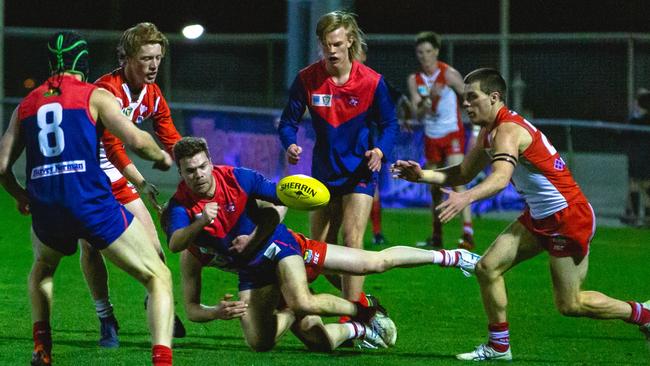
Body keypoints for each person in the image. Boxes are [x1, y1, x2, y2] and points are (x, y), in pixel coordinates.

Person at [392, 67, 650, 361]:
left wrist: (466, 196)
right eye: (464, 99)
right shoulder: (490, 132)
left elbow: (501, 178)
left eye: (472, 98)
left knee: (571, 304)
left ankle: (643, 314)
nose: (465, 104)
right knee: (487, 268)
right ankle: (499, 347)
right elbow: (464, 171)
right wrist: (422, 175)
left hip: (568, 217)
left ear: (494, 97)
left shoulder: (507, 131)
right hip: (541, 215)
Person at [165, 136, 479, 352]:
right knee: (270, 343)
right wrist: (217, 312)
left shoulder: (238, 178)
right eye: (189, 170)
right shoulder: (187, 226)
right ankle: (358, 330)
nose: (198, 175)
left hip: (284, 248)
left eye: (202, 166)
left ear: (210, 161)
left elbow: (281, 204)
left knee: (373, 262)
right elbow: (183, 268)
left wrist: (255, 237)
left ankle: (448, 258)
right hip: (257, 276)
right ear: (180, 172)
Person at [0, 31, 175, 366]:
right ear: (83, 61)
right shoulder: (94, 95)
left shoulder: (26, 104)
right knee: (158, 276)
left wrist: (20, 195)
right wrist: (160, 157)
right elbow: (136, 139)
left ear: (51, 61)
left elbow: (1, 166)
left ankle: (42, 345)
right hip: (91, 203)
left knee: (42, 268)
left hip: (46, 207)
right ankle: (162, 359)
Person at [278, 11, 399, 306]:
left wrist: (380, 151)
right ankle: (363, 304)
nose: (330, 50)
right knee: (315, 255)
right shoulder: (307, 79)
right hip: (324, 173)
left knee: (352, 239)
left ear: (350, 42)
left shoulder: (372, 82)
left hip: (360, 172)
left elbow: (390, 125)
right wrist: (290, 144)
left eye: (336, 44)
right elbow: (287, 123)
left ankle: (352, 317)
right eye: (325, 44)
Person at [79, 22, 185, 347]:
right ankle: (105, 317)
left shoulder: (152, 95)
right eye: (145, 58)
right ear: (125, 58)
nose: (153, 65)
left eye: (157, 58)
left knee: (155, 251)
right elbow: (111, 144)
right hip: (88, 175)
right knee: (90, 246)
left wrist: (203, 172)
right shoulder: (106, 89)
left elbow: (171, 138)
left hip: (116, 174)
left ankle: (156, 301)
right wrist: (141, 181)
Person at [406, 31, 474, 250]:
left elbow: (470, 96)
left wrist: (476, 128)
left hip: (452, 131)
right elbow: (418, 113)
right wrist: (426, 102)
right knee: (433, 185)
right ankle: (437, 234)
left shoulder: (449, 73)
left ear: (436, 51)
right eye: (420, 52)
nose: (424, 56)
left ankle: (468, 232)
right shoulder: (415, 80)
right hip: (431, 134)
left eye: (428, 51)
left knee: (459, 177)